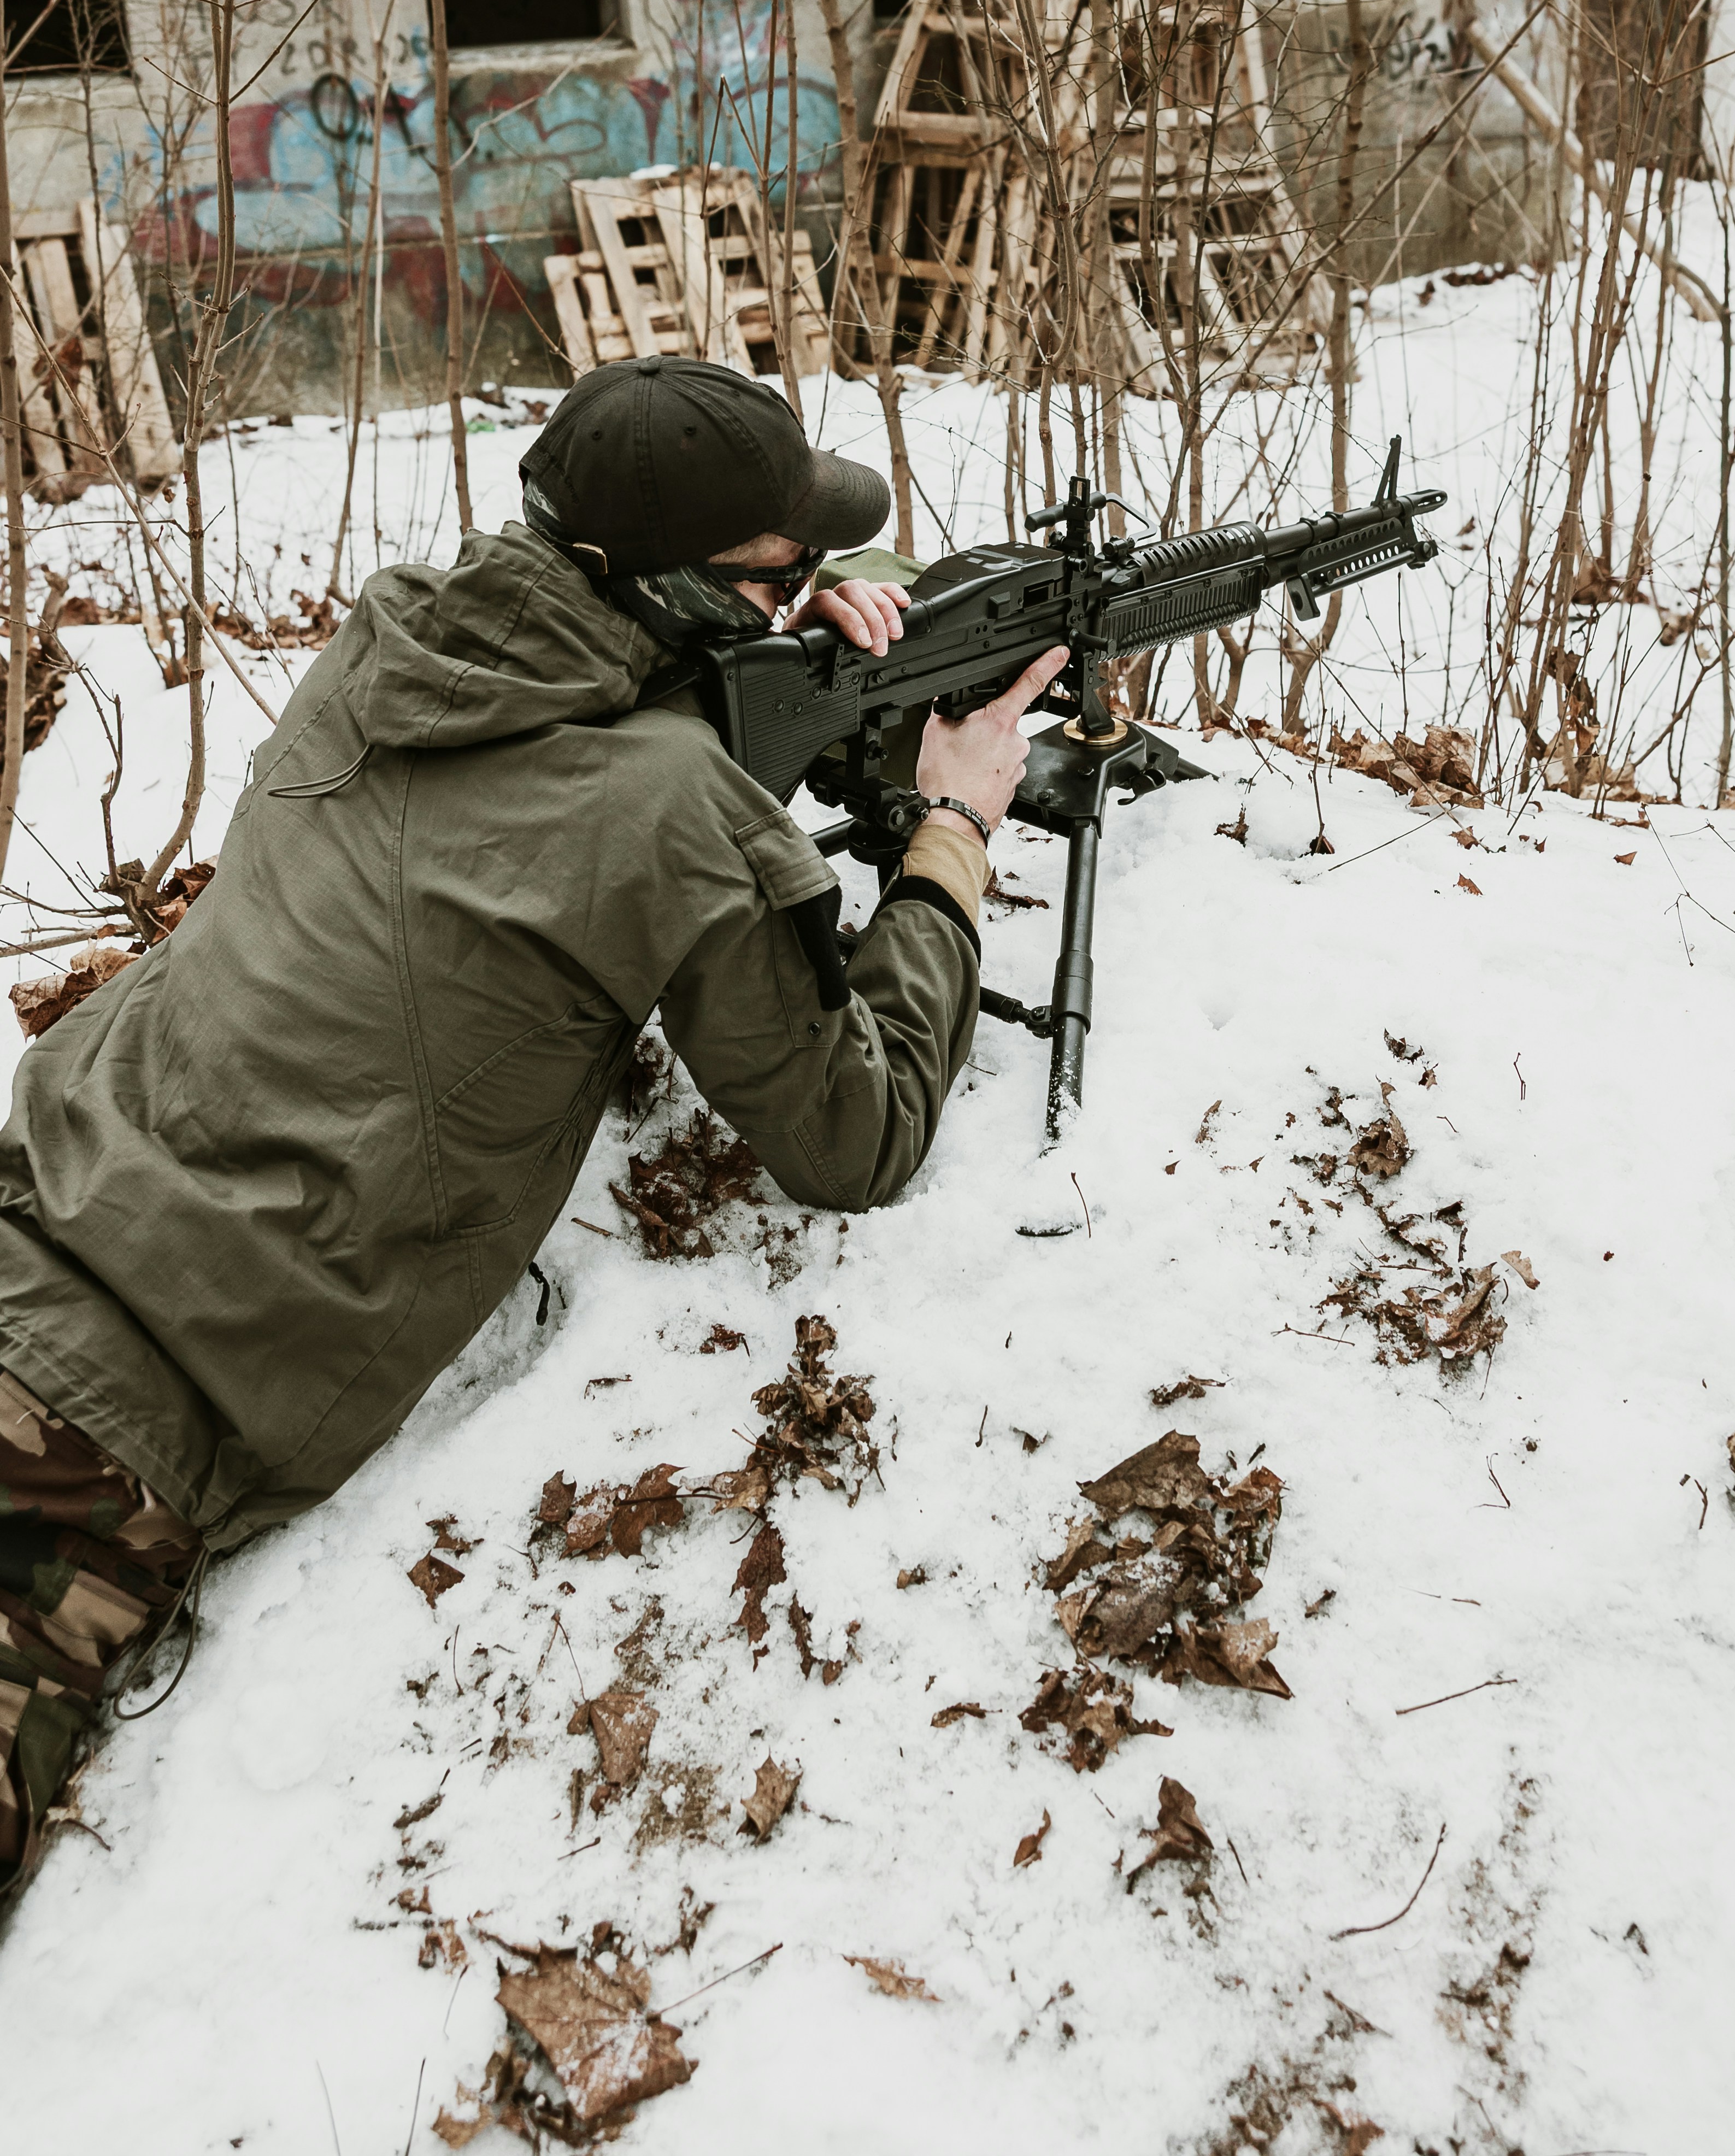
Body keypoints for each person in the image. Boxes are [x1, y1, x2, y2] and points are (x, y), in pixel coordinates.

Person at [0, 355, 1065, 1895]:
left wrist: (768, 650)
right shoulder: (674, 815)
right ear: (686, 599)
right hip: (113, 1428)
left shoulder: (392, 646)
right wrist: (953, 828)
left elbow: (555, 744)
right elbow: (858, 1134)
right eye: (780, 571)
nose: (812, 580)